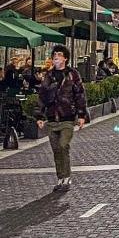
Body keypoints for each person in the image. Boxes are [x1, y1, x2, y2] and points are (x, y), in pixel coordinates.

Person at [35, 45, 87, 192]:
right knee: (56, 149)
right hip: (52, 118)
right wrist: (39, 115)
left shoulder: (72, 74)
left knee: (63, 145)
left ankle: (67, 177)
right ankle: (60, 178)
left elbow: (80, 94)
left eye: (59, 54)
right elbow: (42, 96)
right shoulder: (49, 76)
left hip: (67, 117)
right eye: (54, 55)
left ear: (65, 58)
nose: (56, 57)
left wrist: (81, 115)